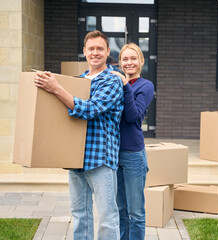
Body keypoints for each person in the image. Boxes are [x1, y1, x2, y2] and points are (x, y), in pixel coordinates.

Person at [34, 30, 123, 240]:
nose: (95, 53)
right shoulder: (77, 81)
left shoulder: (112, 82)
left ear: (108, 51)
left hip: (101, 159)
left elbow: (89, 109)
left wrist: (56, 88)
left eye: (100, 49)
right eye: (91, 49)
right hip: (76, 160)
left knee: (107, 219)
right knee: (80, 214)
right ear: (84, 51)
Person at [111, 43, 155, 240]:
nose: (129, 62)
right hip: (113, 153)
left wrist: (124, 86)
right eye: (125, 59)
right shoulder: (114, 82)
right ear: (120, 63)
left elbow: (133, 116)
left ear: (141, 61)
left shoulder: (145, 86)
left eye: (133, 58)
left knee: (135, 212)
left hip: (133, 155)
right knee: (121, 210)